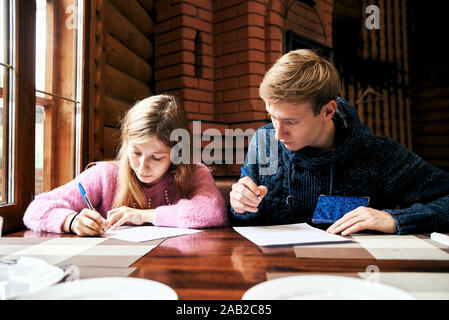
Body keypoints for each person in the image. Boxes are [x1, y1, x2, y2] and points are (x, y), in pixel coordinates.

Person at [229, 49, 449, 235]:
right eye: (271, 117)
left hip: (353, 275)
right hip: (275, 272)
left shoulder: (377, 154)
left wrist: (396, 219)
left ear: (328, 111)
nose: (277, 134)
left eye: (291, 121)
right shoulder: (264, 141)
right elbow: (244, 222)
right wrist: (241, 205)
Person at [24, 94, 228, 236]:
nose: (142, 166)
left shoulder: (193, 172)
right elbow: (36, 209)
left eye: (156, 157)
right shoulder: (105, 175)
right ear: (126, 144)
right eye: (136, 152)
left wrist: (144, 216)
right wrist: (71, 221)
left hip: (175, 266)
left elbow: (213, 211)